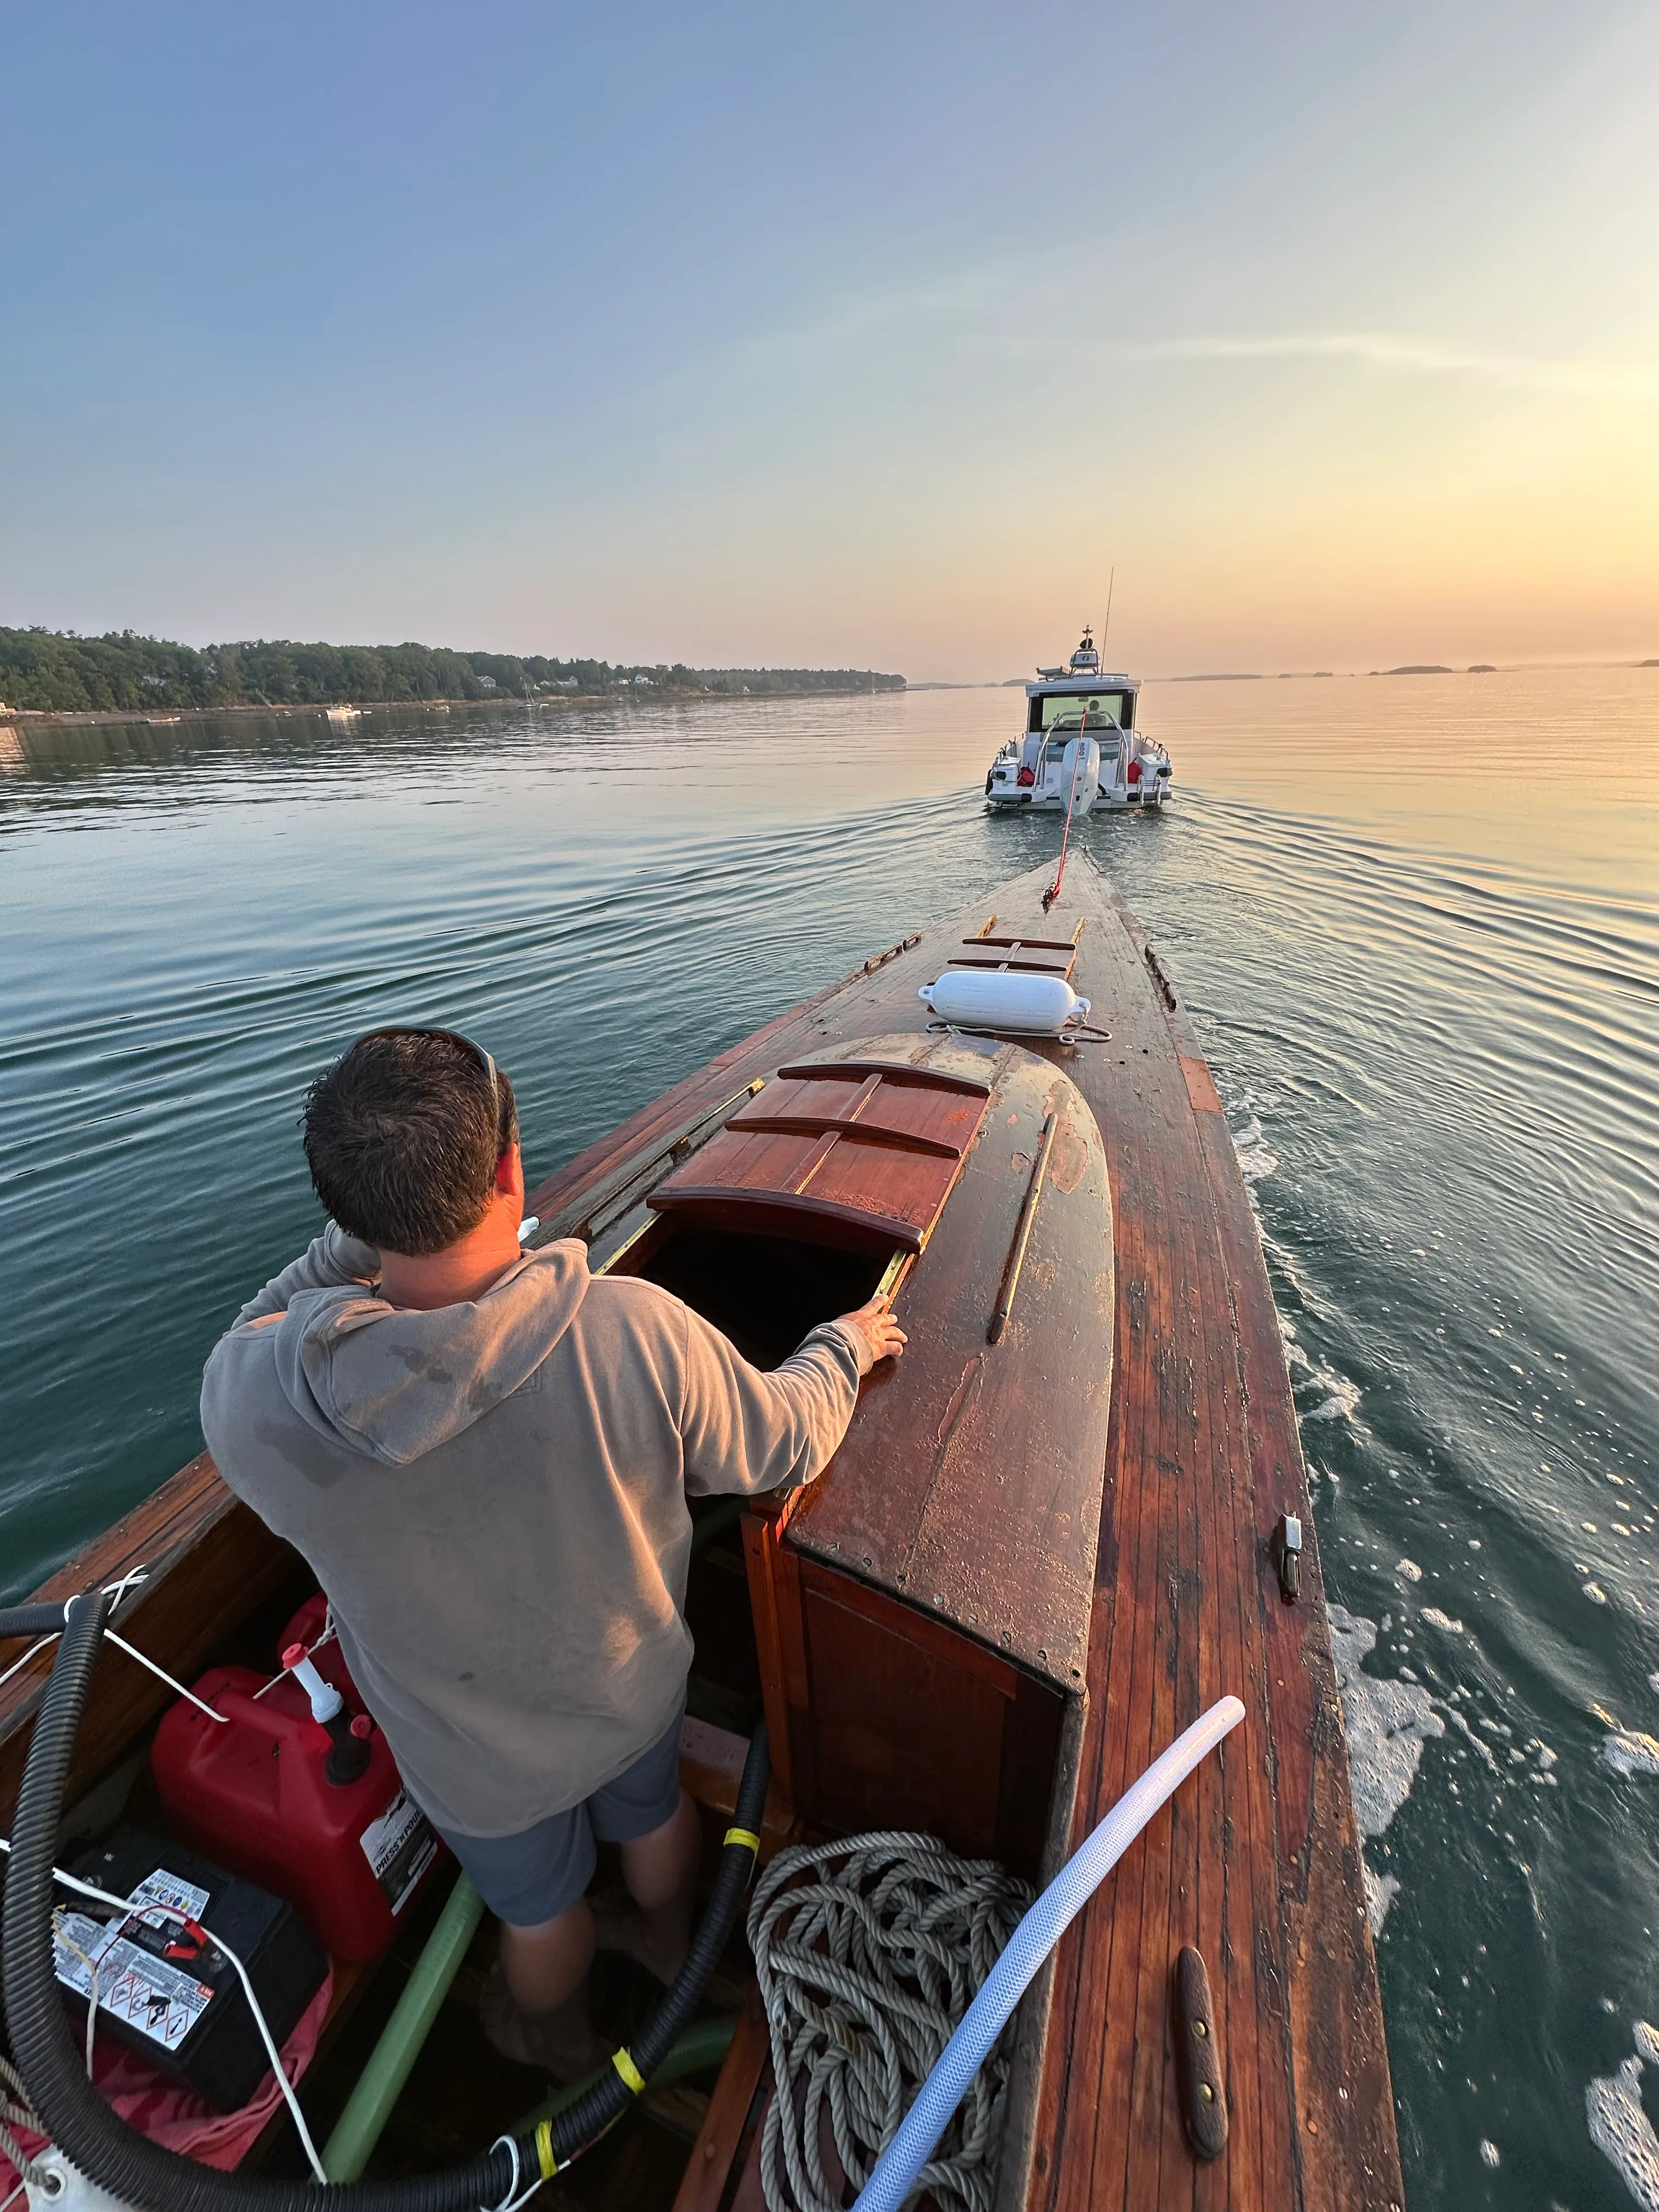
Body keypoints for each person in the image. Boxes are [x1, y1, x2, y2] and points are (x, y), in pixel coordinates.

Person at [200, 1026, 904, 2077]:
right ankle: (671, 1946)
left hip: (469, 1758)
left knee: (538, 1917)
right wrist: (843, 1346)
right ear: (511, 1171)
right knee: (657, 1815)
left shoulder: (260, 1403)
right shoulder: (636, 1330)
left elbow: (258, 1324)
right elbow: (785, 1439)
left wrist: (372, 1229)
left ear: (342, 1211)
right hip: (627, 1699)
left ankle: (558, 2044)